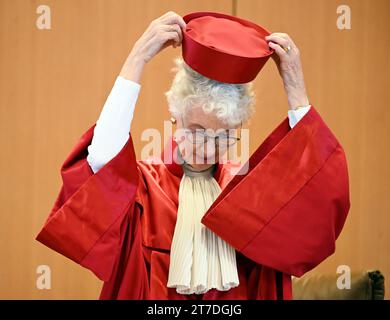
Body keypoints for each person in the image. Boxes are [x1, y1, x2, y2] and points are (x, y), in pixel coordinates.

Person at [36, 11, 350, 300]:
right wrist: (137, 59)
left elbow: (317, 207)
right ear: (176, 117)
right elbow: (102, 163)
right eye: (197, 130)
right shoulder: (144, 189)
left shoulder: (247, 194)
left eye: (224, 136)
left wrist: (296, 91)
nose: (207, 148)